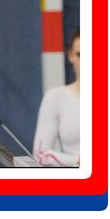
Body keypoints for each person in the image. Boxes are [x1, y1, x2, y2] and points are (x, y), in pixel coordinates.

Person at [33, 31, 80, 166]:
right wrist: (77, 160)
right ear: (71, 56)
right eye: (80, 55)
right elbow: (40, 154)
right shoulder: (56, 97)